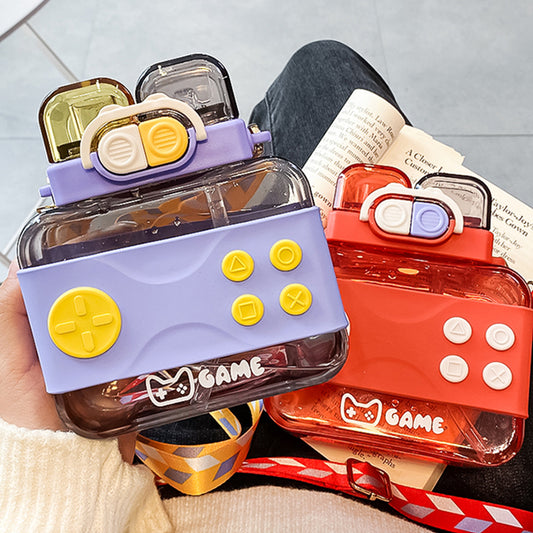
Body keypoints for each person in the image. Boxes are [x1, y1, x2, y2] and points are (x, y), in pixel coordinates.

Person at [0, 41, 530, 532]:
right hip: (266, 461)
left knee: (315, 71)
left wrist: (50, 467)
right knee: (321, 68)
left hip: (174, 464)